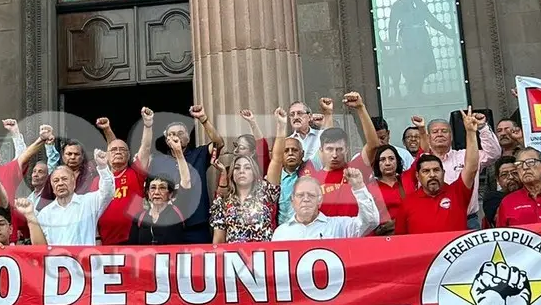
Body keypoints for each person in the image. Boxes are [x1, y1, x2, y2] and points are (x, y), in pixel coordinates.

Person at [142, 104, 224, 244]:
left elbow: (219, 143)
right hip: (168, 226)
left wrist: (203, 119)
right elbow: (143, 154)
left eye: (180, 133)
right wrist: (148, 125)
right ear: (166, 139)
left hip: (196, 226)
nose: (176, 136)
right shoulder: (158, 160)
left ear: (188, 138)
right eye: (171, 134)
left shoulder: (199, 154)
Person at [396, 109, 485, 235]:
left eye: (436, 170)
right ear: (418, 175)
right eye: (426, 171)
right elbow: (400, 240)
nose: (432, 175)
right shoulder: (407, 203)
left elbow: (471, 168)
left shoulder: (457, 193)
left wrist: (470, 132)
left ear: (443, 173)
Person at [211, 108, 287, 244]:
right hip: (234, 261)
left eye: (247, 168)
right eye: (237, 168)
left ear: (254, 173)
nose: (241, 171)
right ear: (232, 174)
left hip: (264, 259)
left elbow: (277, 159)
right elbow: (218, 240)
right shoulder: (222, 202)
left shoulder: (267, 192)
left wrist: (281, 126)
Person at [420, 114, 501, 226]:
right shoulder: (422, 162)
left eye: (444, 131)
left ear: (451, 136)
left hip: (468, 221)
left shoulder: (466, 155)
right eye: (435, 132)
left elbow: (494, 154)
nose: (440, 134)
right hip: (434, 221)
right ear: (428, 138)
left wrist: (482, 127)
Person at [35, 150, 115, 246]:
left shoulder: (88, 202)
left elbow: (108, 192)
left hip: (83, 260)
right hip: (56, 260)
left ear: (74, 182)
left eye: (64, 179)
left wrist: (103, 167)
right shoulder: (45, 214)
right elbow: (41, 246)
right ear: (52, 186)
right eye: (56, 181)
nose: (60, 183)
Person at [387, 0, 453, 96]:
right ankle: (411, 90)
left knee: (423, 63)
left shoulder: (421, 4)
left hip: (421, 36)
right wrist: (392, 44)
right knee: (410, 64)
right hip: (407, 37)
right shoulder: (399, 4)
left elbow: (431, 20)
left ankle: (418, 90)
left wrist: (447, 31)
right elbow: (392, 24)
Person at [272, 172, 380, 241]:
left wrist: (359, 187)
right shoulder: (281, 233)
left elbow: (371, 222)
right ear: (292, 200)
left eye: (311, 195)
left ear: (320, 200)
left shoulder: (339, 226)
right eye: (300, 195)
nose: (305, 199)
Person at [95, 125, 146, 246]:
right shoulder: (97, 180)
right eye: (113, 151)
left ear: (129, 156)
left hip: (132, 240)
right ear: (106, 156)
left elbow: (146, 147)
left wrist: (147, 125)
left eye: (122, 150)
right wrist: (97, 237)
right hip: (105, 241)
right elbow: (93, 211)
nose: (118, 152)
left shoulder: (135, 173)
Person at [129, 176, 189, 244]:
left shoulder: (177, 213)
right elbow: (132, 248)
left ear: (170, 194)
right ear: (148, 193)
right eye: (153, 188)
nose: (157, 192)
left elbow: (186, 182)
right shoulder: (139, 218)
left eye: (162, 188)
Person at [481, 154, 519, 227]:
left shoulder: (530, 194)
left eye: (515, 173)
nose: (511, 177)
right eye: (504, 175)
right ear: (498, 180)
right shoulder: (492, 198)